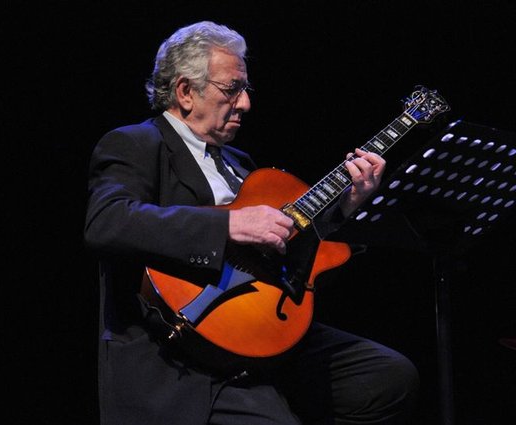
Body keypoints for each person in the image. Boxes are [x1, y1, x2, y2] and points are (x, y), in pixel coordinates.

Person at [84, 21, 419, 425]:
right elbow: (107, 222)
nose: (244, 104)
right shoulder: (137, 143)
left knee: (388, 377)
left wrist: (345, 208)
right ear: (186, 92)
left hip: (256, 331)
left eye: (246, 90)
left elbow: (283, 254)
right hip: (178, 353)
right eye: (232, 89)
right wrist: (228, 226)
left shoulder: (241, 165)